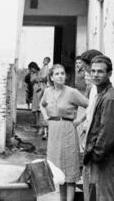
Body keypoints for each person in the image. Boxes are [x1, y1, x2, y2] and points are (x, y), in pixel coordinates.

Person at [40, 64, 88, 201]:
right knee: (59, 172)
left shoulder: (72, 92)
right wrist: (45, 117)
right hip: (54, 131)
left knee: (69, 170)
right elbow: (42, 105)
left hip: (68, 130)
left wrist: (79, 120)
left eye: (62, 73)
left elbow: (90, 104)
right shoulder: (48, 92)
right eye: (57, 74)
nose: (60, 76)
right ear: (51, 77)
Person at [83, 55, 114, 201]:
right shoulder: (101, 94)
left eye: (100, 71)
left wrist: (95, 155)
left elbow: (107, 133)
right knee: (95, 196)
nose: (95, 74)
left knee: (104, 197)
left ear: (109, 74)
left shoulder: (109, 99)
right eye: (93, 71)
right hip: (100, 158)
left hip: (106, 159)